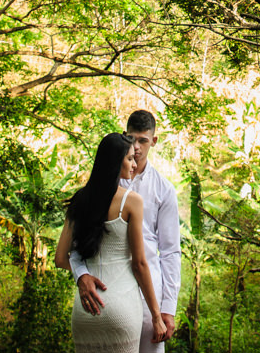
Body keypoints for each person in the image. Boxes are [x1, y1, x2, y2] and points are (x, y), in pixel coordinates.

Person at [71, 111, 180, 352]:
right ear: (124, 136)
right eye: (132, 139)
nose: (137, 147)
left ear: (154, 141)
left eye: (143, 140)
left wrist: (167, 308)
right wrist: (81, 275)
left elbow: (170, 251)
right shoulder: (102, 185)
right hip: (108, 291)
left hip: (150, 292)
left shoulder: (164, 189)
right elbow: (78, 244)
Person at [55, 133, 166, 352]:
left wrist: (82, 275)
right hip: (121, 309)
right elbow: (139, 264)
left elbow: (60, 258)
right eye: (129, 159)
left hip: (85, 311)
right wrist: (156, 315)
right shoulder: (131, 201)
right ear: (115, 162)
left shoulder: (79, 200)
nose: (134, 164)